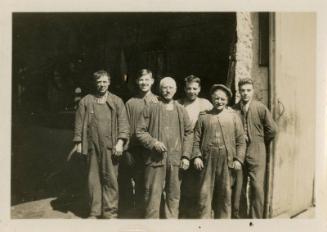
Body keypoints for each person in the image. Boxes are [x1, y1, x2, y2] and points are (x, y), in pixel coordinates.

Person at [73, 70, 129, 219]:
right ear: (95, 83)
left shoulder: (117, 101)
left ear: (109, 82)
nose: (102, 85)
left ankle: (110, 213)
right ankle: (95, 212)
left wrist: (120, 142)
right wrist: (79, 142)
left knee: (110, 178)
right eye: (99, 82)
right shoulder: (85, 101)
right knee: (93, 179)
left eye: (104, 82)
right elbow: (78, 124)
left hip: (111, 146)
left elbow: (124, 124)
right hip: (92, 145)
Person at [136, 77, 193, 218]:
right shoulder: (151, 107)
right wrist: (153, 142)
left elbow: (189, 133)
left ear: (175, 90)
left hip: (175, 160)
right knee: (152, 195)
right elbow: (140, 131)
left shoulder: (181, 110)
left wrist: (186, 156)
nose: (167, 91)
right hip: (155, 160)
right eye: (164, 88)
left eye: (170, 88)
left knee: (173, 196)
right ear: (160, 89)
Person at [192, 84, 246, 218]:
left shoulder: (233, 116)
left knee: (225, 195)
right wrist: (197, 156)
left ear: (227, 100)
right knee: (204, 195)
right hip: (207, 160)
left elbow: (241, 141)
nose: (219, 102)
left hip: (227, 160)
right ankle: (203, 223)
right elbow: (195, 139)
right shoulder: (204, 116)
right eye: (216, 99)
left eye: (223, 99)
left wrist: (239, 159)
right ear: (212, 99)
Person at [233, 78, 277, 218]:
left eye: (248, 90)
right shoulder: (233, 109)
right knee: (239, 186)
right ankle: (241, 218)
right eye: (242, 91)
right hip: (238, 151)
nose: (245, 93)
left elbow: (272, 130)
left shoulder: (260, 108)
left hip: (257, 150)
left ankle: (255, 219)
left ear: (253, 91)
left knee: (257, 187)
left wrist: (258, 140)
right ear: (239, 92)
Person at [120, 69, 158, 218]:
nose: (144, 83)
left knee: (149, 182)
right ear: (137, 82)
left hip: (151, 149)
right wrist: (125, 147)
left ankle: (148, 211)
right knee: (133, 178)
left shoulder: (158, 101)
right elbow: (125, 126)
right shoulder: (130, 103)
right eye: (141, 80)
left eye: (147, 80)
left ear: (152, 81)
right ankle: (133, 210)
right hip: (134, 148)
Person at [177, 75, 212, 218]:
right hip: (183, 148)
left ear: (199, 89)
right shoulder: (178, 104)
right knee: (184, 183)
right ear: (185, 89)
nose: (192, 91)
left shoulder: (206, 104)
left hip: (200, 149)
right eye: (189, 88)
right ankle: (184, 215)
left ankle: (199, 215)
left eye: (195, 89)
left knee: (201, 183)